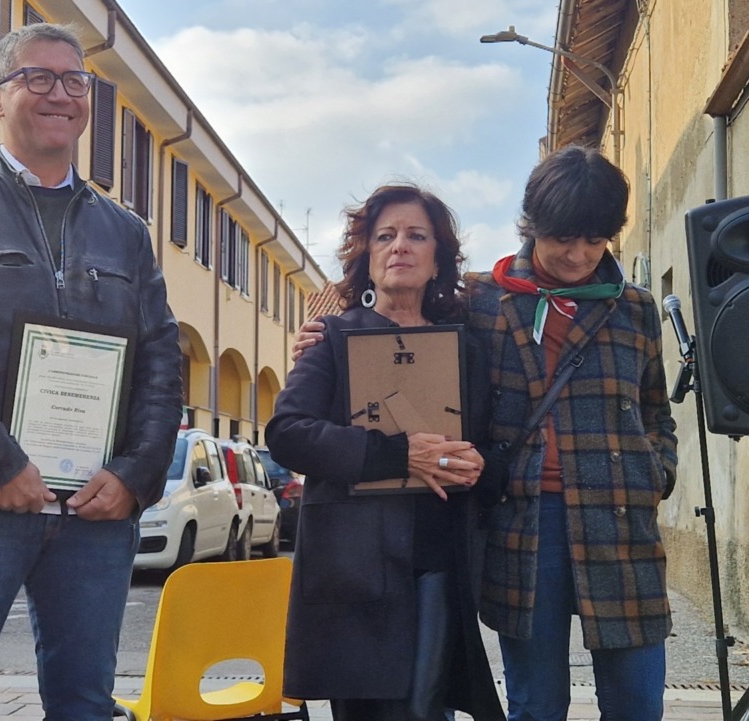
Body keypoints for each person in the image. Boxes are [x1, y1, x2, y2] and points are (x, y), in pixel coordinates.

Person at [293, 147, 678, 721]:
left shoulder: (635, 309)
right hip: (524, 522)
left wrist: (656, 473)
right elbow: (398, 318)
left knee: (638, 704)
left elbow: (655, 411)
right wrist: (324, 336)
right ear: (532, 226)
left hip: (622, 521)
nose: (577, 255)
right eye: (562, 238)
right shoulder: (481, 299)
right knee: (536, 704)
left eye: (595, 240)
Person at [0, 23, 182, 720]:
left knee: (85, 702)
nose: (61, 94)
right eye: (38, 78)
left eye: (75, 81)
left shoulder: (126, 232)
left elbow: (161, 360)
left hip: (96, 509)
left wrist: (136, 475)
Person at [266, 184, 505, 721]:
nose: (400, 246)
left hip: (437, 560)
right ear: (367, 255)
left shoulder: (466, 347)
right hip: (352, 568)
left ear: (437, 258)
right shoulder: (331, 338)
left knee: (424, 709)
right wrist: (397, 456)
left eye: (416, 235)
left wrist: (480, 465)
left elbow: (488, 447)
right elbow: (287, 433)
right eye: (385, 236)